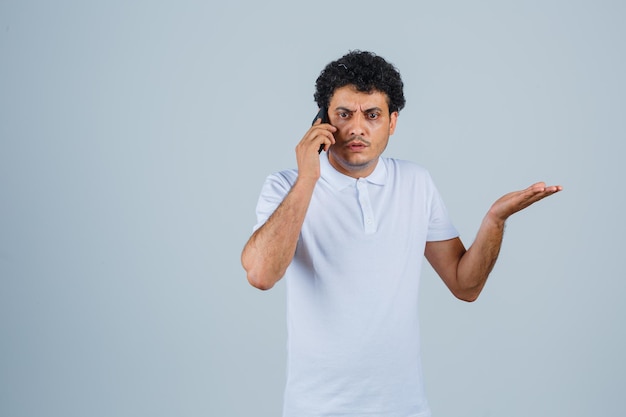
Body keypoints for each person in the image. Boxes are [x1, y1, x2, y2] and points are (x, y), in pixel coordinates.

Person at [241, 50, 562, 417]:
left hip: (405, 408)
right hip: (316, 409)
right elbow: (261, 274)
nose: (357, 128)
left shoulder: (415, 182)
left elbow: (465, 285)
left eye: (372, 115)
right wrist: (309, 177)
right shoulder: (286, 186)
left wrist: (495, 219)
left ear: (393, 122)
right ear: (322, 121)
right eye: (344, 114)